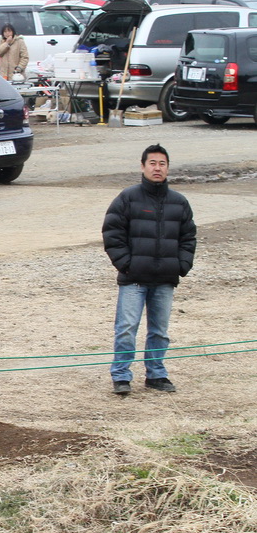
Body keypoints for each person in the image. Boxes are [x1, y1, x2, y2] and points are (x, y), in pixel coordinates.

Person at [102, 144, 197, 395]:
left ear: (167, 168)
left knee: (159, 331)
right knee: (126, 328)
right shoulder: (128, 197)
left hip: (165, 279)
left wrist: (182, 265)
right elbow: (112, 233)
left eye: (162, 163)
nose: (157, 168)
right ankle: (121, 375)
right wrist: (126, 264)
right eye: (152, 163)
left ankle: (156, 374)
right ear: (143, 166)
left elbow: (189, 237)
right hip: (134, 279)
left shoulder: (179, 202)